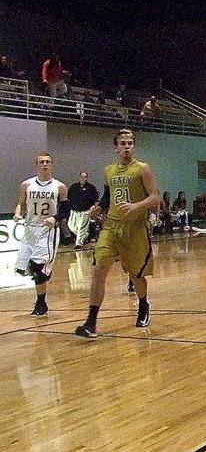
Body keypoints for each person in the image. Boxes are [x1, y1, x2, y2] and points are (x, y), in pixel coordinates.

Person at [75, 129, 161, 338]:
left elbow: (155, 197)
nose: (127, 146)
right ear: (116, 147)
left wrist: (136, 206)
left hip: (135, 227)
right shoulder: (109, 170)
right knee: (99, 268)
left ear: (134, 146)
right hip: (112, 226)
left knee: (136, 274)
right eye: (123, 143)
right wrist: (98, 208)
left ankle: (143, 304)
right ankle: (91, 322)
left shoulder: (142, 169)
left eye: (130, 143)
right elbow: (107, 197)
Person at [14, 153, 69, 317]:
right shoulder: (27, 184)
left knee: (37, 268)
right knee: (24, 269)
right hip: (30, 229)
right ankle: (45, 272)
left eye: (48, 162)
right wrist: (18, 214)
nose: (45, 164)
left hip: (48, 231)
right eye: (41, 162)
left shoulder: (59, 186)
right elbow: (21, 204)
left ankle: (41, 303)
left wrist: (55, 218)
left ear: (52, 165)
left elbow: (66, 209)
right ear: (36, 165)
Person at [67, 171, 99, 248]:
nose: (83, 178)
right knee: (71, 226)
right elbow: (68, 198)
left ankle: (79, 243)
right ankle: (86, 235)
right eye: (82, 177)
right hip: (74, 211)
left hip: (86, 211)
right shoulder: (73, 187)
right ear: (79, 177)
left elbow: (96, 200)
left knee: (82, 227)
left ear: (87, 178)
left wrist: (93, 209)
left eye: (85, 177)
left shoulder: (91, 188)